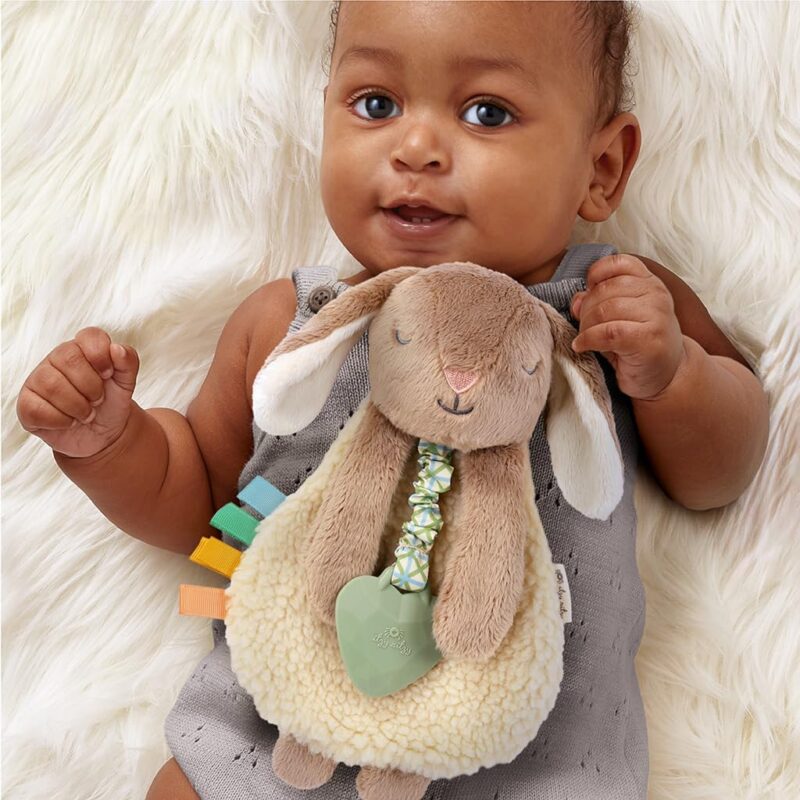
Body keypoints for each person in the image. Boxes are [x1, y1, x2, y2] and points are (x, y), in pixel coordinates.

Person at [15, 2, 769, 799]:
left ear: (601, 167)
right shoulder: (293, 325)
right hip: (275, 743)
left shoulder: (605, 309)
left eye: (486, 113)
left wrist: (671, 375)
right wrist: (110, 444)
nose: (415, 148)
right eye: (376, 104)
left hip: (533, 768)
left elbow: (720, 474)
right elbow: (203, 496)